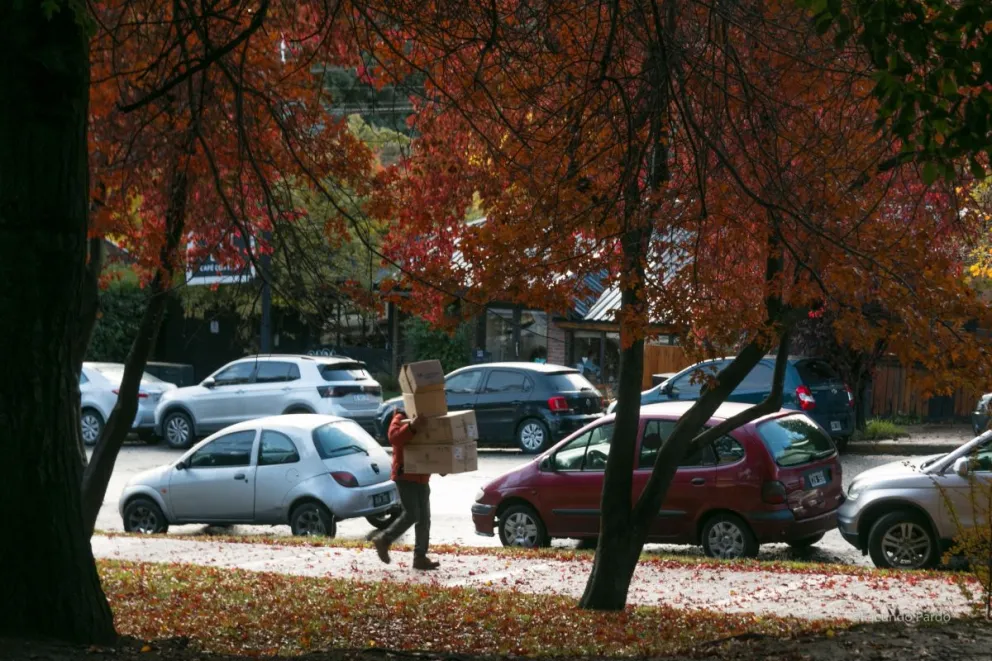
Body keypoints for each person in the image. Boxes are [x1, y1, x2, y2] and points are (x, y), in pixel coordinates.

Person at [372, 409, 440, 570]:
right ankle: (384, 540)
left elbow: (434, 445)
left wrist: (441, 465)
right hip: (405, 476)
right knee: (413, 514)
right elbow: (394, 438)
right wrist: (412, 426)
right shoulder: (401, 417)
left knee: (424, 519)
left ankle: (420, 557)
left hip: (422, 477)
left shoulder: (430, 419)